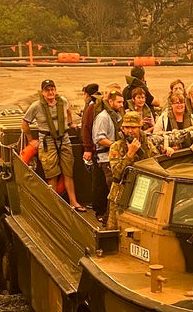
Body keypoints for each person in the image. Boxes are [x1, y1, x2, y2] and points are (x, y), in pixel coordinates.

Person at [21, 79, 85, 212]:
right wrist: (31, 140)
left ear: (55, 90)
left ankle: (73, 202)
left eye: (52, 89)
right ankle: (54, 205)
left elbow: (68, 111)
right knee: (52, 174)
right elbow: (25, 123)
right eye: (47, 90)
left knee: (68, 172)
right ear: (43, 92)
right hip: (47, 142)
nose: (50, 92)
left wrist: (70, 123)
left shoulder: (63, 101)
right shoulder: (36, 106)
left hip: (64, 140)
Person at [107, 111, 157, 229]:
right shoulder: (116, 147)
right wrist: (129, 155)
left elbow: (155, 164)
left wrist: (166, 150)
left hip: (142, 191)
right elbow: (116, 173)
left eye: (133, 127)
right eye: (127, 127)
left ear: (139, 127)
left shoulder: (148, 144)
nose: (130, 131)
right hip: (120, 193)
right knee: (114, 229)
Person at [91, 88, 125, 223]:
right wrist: (116, 145)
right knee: (113, 189)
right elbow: (99, 138)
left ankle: (110, 217)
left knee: (115, 188)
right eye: (119, 102)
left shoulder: (117, 116)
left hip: (116, 158)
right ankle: (108, 218)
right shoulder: (103, 117)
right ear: (110, 101)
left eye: (122, 102)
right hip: (106, 158)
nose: (121, 105)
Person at [80, 83, 100, 170]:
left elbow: (86, 126)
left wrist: (87, 149)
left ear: (87, 94)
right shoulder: (99, 104)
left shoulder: (91, 106)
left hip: (93, 147)